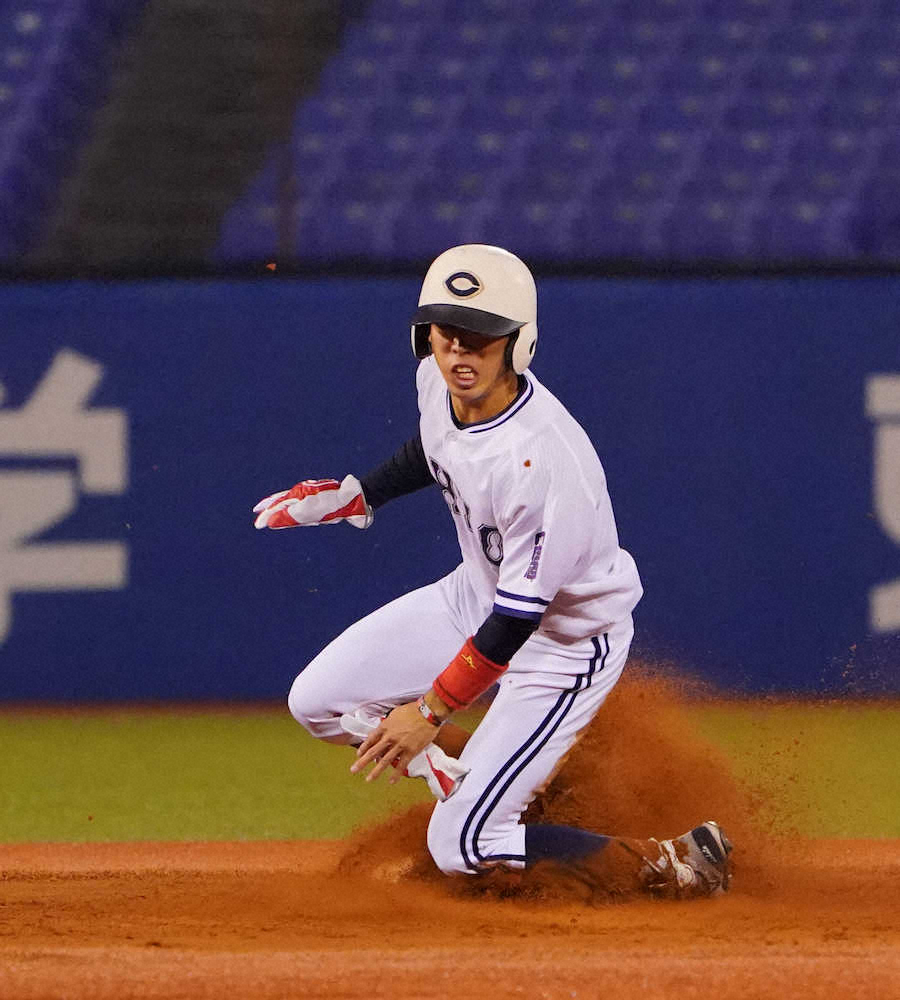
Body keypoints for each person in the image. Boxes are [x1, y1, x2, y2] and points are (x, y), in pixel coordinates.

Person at [253, 244, 733, 898]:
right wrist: (360, 495)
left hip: (562, 646)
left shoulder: (541, 464)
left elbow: (516, 622)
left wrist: (426, 709)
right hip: (472, 598)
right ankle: (492, 775)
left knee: (461, 845)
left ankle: (673, 861)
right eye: (448, 333)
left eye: (481, 339)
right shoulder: (439, 382)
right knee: (317, 702)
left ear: (518, 345)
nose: (460, 352)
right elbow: (436, 447)